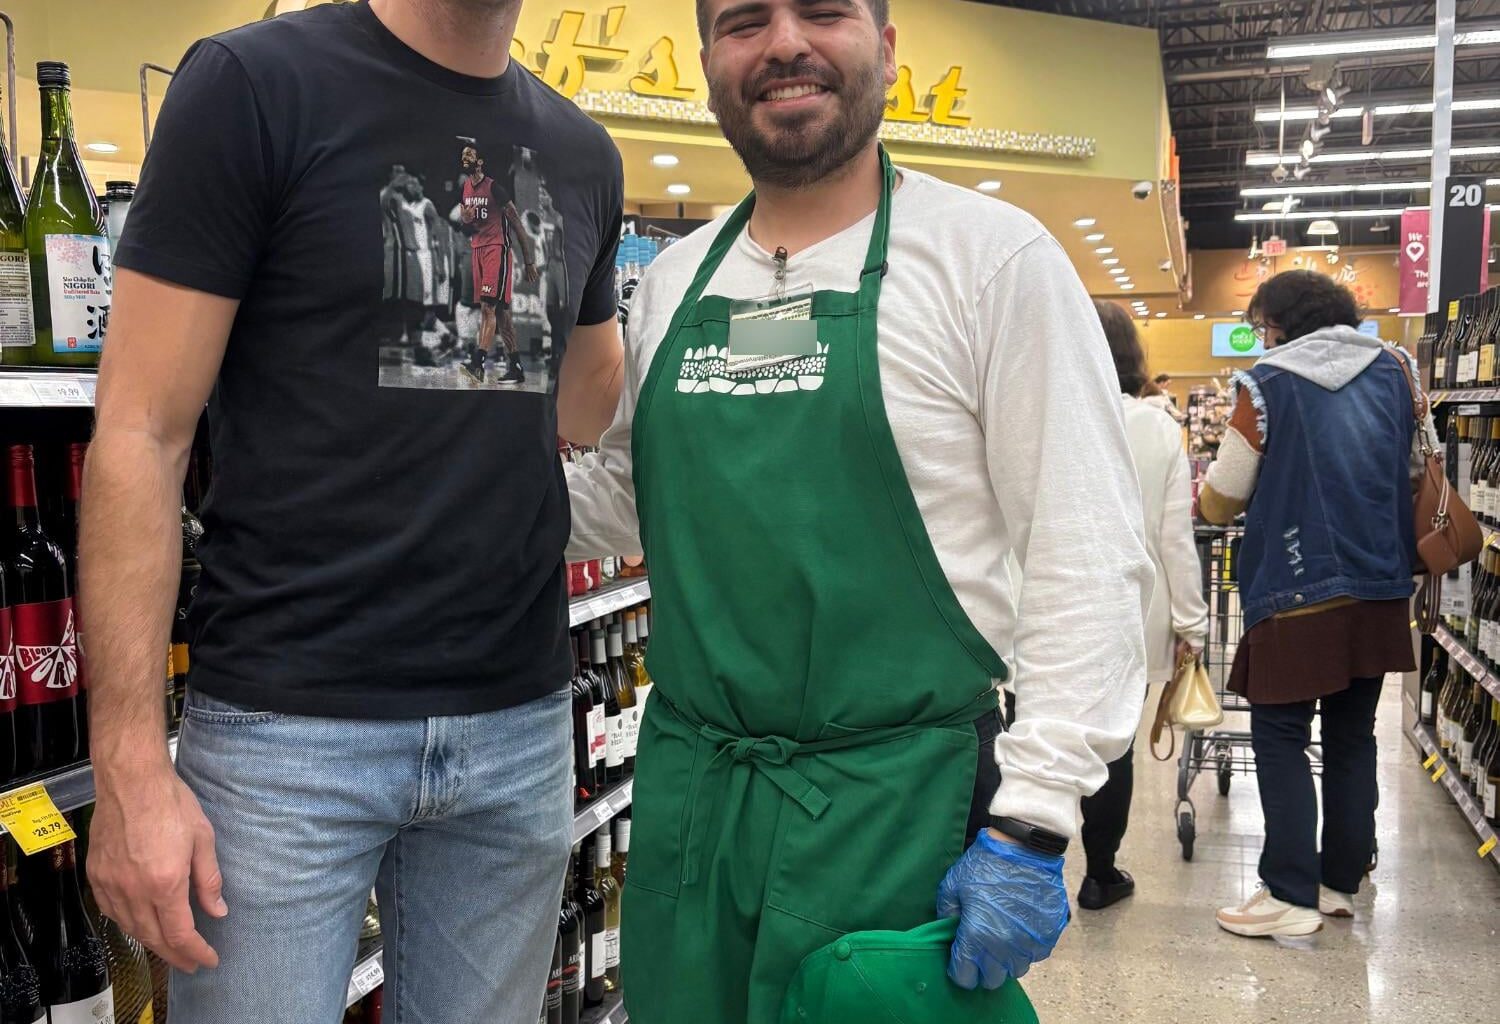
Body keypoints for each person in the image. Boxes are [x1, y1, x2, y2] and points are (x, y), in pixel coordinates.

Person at [565, 1, 1154, 1020]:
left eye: (823, 10)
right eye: (745, 21)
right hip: (694, 807)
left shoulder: (991, 261)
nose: (785, 43)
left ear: (884, 49)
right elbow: (632, 492)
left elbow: (1087, 551)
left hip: (898, 808)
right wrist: (450, 492)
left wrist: (1032, 819)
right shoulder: (671, 285)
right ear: (708, 62)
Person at [79, 1, 625, 1021]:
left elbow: (587, 402)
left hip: (517, 724)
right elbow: (140, 432)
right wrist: (129, 768)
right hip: (287, 736)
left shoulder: (584, 152)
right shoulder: (253, 86)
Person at [1199, 271, 1421, 938]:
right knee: (1352, 736)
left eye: (1262, 325)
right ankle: (1338, 883)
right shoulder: (1396, 369)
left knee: (1280, 734)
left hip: (1295, 587)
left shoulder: (1265, 383)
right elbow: (1415, 469)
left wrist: (1208, 501)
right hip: (1380, 582)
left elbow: (1224, 494)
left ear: (1280, 323)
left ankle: (1290, 894)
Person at [1078, 302, 1207, 911]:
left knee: (1031, 734)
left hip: (1038, 609)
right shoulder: (1157, 430)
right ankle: (1100, 872)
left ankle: (1025, 864)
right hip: (1129, 612)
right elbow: (1174, 537)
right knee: (1114, 747)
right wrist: (1191, 622)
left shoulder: (1041, 414)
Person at [459, 141, 539, 385]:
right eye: (463, 155)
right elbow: (467, 223)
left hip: (497, 250)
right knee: (502, 313)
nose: (465, 158)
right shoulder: (465, 188)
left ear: (480, 162)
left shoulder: (495, 188)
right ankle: (516, 366)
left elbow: (517, 225)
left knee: (487, 307)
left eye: (469, 155)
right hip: (478, 249)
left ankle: (478, 363)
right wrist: (465, 220)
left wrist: (528, 261)